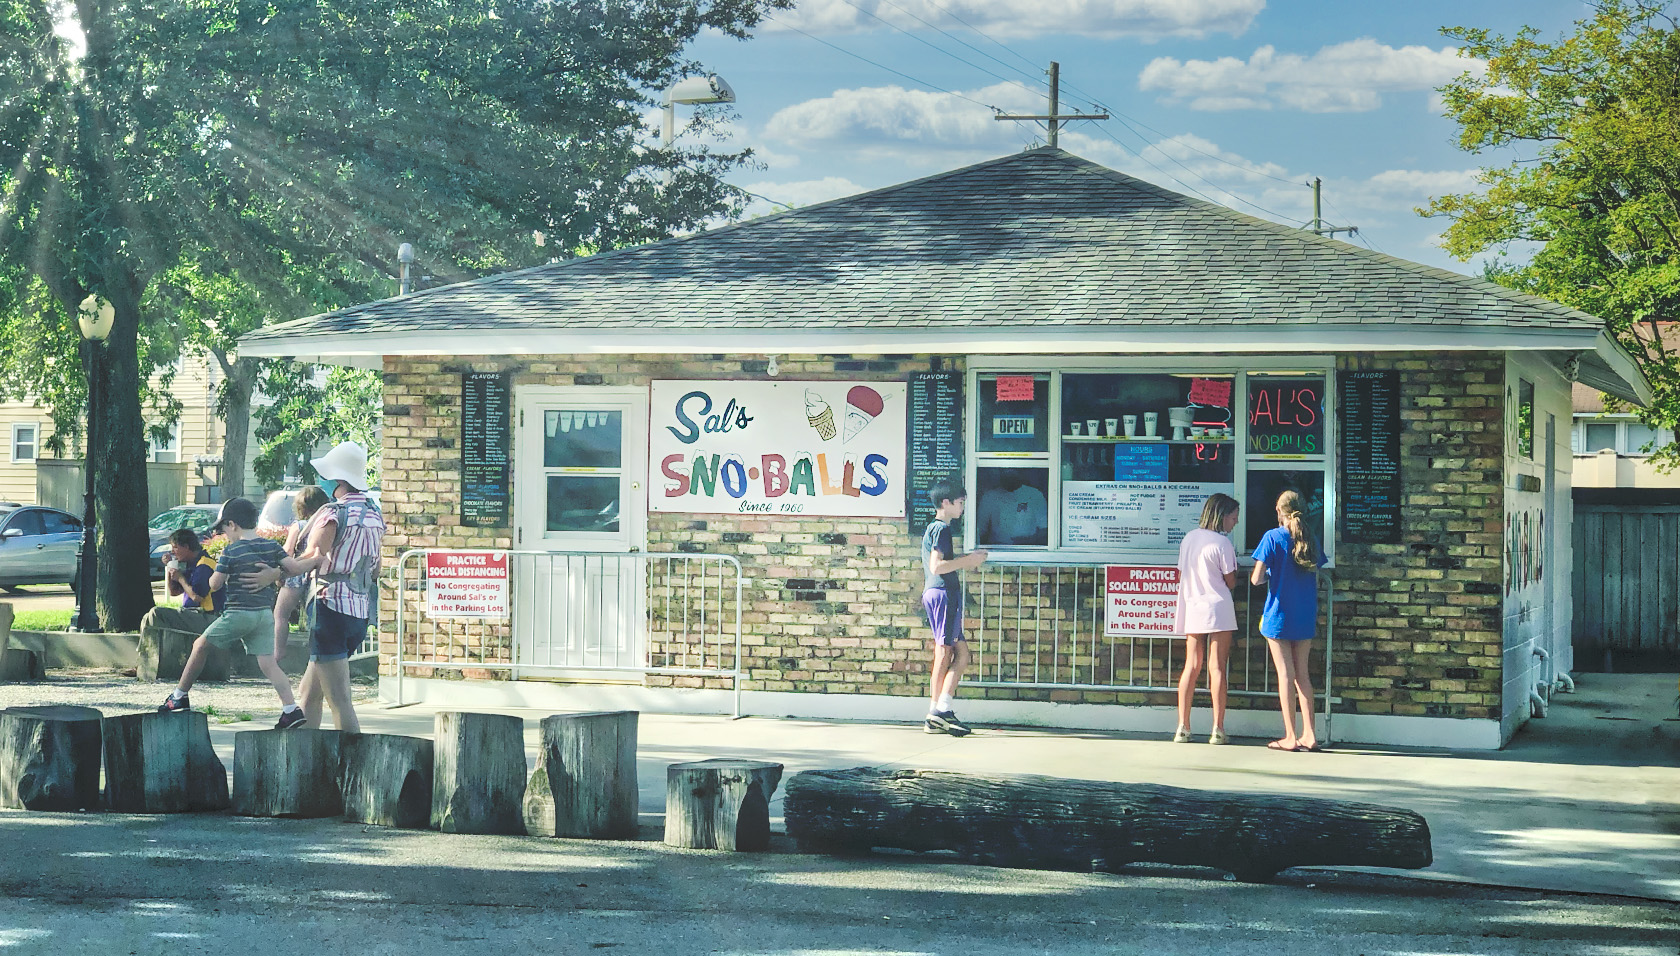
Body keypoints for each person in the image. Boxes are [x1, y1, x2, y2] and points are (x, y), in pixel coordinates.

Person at [246, 441, 384, 733]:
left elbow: (312, 558)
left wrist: (274, 573)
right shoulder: (374, 513)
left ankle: (353, 767)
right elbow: (376, 570)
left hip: (329, 608)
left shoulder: (331, 513)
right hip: (358, 613)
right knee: (310, 695)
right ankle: (305, 760)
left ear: (337, 479)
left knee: (340, 700)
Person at [158, 498, 302, 727]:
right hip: (264, 615)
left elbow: (214, 585)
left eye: (224, 529)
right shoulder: (271, 547)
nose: (224, 534)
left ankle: (178, 697)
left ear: (232, 525)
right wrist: (309, 562)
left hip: (238, 613)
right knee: (268, 664)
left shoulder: (231, 550)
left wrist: (220, 571)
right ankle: (291, 708)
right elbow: (293, 568)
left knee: (199, 646)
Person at [1250, 489, 1327, 752]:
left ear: (1279, 511)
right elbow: (1315, 572)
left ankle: (1290, 737)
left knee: (1285, 675)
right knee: (1303, 675)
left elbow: (1256, 578)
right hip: (1305, 615)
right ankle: (1311, 735)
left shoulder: (1272, 537)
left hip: (1278, 615)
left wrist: (1273, 572)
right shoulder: (1311, 539)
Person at [1172, 493, 1241, 745]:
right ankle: (1218, 728)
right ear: (1222, 516)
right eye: (1233, 518)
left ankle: (1183, 726)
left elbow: (1181, 573)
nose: (1235, 523)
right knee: (1217, 667)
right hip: (1219, 607)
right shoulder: (1223, 545)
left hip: (1193, 605)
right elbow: (1230, 581)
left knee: (1191, 665)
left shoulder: (1189, 538)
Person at [921, 478, 987, 736]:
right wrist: (969, 560)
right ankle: (938, 711)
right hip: (942, 594)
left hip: (941, 594)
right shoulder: (941, 529)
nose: (962, 508)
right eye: (960, 503)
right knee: (945, 653)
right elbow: (937, 566)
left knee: (959, 654)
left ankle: (939, 709)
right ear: (945, 503)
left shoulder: (936, 529)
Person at [137, 528, 223, 656]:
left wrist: (181, 578)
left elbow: (196, 597)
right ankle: (145, 658)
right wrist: (170, 569)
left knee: (156, 613)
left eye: (175, 547)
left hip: (208, 617)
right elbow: (174, 592)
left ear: (186, 547)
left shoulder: (204, 565)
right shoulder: (192, 564)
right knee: (147, 617)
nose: (172, 551)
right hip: (192, 614)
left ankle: (146, 658)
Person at [269, 485, 329, 667]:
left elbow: (287, 550)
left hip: (296, 572)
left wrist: (280, 573)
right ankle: (315, 654)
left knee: (281, 614)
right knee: (314, 616)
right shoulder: (326, 523)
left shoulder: (299, 525)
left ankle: (278, 653)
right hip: (316, 572)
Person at [976, 473, 1048, 546]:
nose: (1009, 477)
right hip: (997, 550)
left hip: (1028, 549)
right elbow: (980, 531)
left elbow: (1044, 529)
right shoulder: (989, 496)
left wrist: (1028, 541)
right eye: (1006, 473)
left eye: (1013, 473)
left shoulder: (1034, 495)